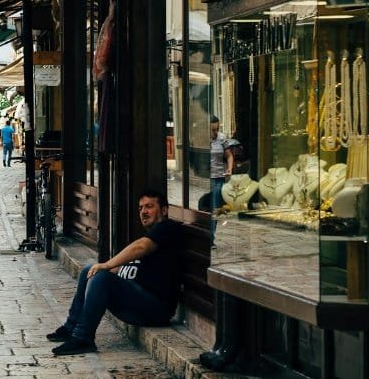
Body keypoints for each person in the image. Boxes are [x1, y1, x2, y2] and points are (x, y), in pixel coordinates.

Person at [47, 190, 184, 355]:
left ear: (164, 210)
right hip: (140, 301)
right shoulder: (154, 234)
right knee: (88, 271)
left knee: (102, 276)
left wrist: (106, 266)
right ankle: (71, 328)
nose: (144, 212)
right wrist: (106, 268)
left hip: (156, 309)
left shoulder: (168, 228)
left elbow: (141, 246)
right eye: (140, 208)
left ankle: (83, 338)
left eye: (149, 207)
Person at [201, 115, 233, 212]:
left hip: (219, 176)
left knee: (217, 204)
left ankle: (215, 224)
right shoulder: (202, 139)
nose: (215, 132)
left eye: (217, 129)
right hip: (206, 177)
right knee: (207, 204)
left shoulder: (222, 138)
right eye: (213, 130)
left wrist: (229, 168)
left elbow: (229, 156)